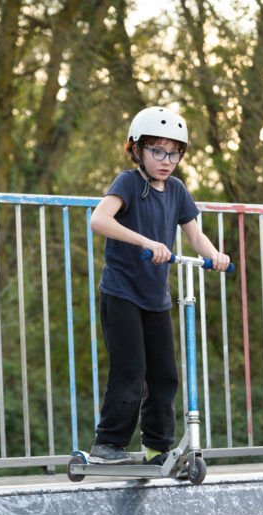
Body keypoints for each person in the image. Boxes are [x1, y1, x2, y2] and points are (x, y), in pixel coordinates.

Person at [87, 106, 231, 465]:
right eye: (158, 151)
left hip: (156, 297)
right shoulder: (128, 183)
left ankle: (157, 449)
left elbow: (195, 235)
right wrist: (145, 242)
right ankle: (108, 445)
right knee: (130, 370)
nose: (167, 160)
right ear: (137, 149)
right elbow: (99, 220)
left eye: (175, 152)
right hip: (121, 293)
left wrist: (216, 255)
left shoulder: (178, 190)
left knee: (165, 375)